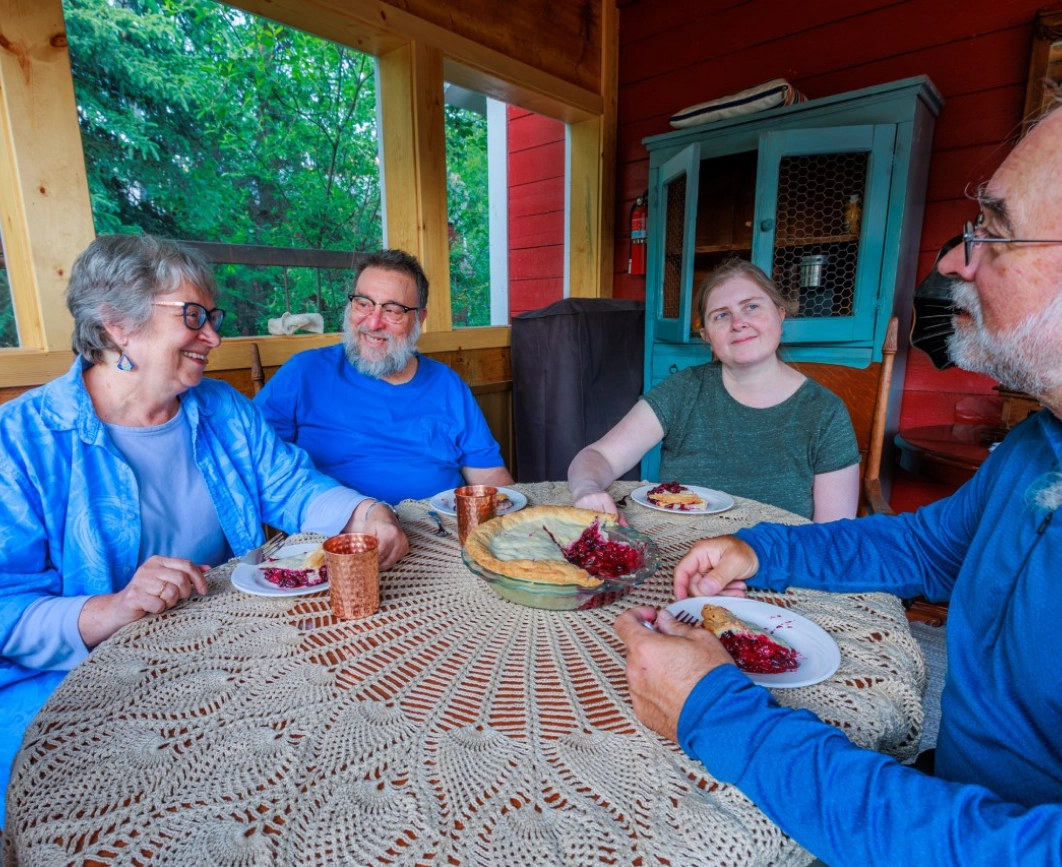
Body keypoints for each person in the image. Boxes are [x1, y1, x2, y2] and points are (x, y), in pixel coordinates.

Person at [614, 106, 1062, 865]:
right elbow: (927, 545)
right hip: (941, 782)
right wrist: (758, 551)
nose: (956, 259)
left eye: (992, 225)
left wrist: (720, 716)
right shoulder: (1035, 444)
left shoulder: (819, 411)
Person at [0, 234, 408, 825]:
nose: (214, 337)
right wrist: (113, 609)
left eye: (211, 317)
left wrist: (365, 512)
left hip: (221, 654)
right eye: (193, 317)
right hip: (72, 684)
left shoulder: (220, 408)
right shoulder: (21, 441)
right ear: (116, 324)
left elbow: (291, 486)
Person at [568, 259, 860, 521]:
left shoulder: (825, 413)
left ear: (780, 315)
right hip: (681, 559)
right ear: (707, 336)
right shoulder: (684, 392)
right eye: (721, 315)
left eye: (752, 307)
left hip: (775, 571)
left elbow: (832, 537)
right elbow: (600, 456)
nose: (738, 323)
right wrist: (586, 489)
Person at [255, 249, 514, 503]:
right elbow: (257, 462)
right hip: (338, 537)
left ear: (419, 318)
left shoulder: (448, 385)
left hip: (442, 531)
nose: (374, 322)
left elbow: (489, 475)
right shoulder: (303, 374)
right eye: (363, 304)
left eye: (393, 310)